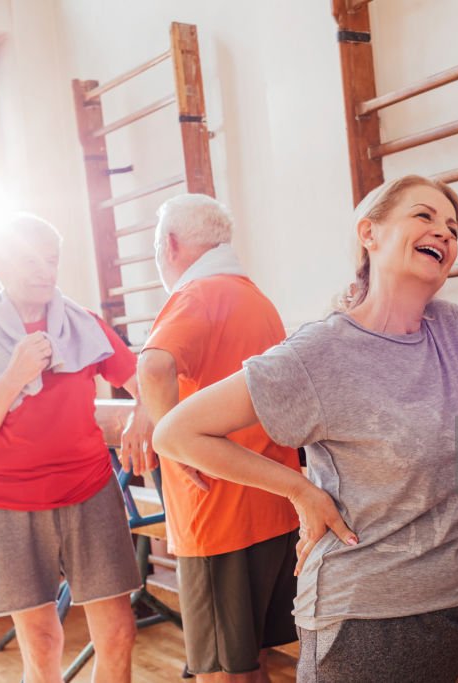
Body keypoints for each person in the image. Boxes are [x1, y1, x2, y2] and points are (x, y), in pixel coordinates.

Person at [150, 175, 458, 682]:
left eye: (454, 227)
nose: (445, 233)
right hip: (371, 622)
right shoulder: (321, 353)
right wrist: (299, 491)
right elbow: (176, 432)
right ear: (370, 233)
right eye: (425, 216)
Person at [0, 214, 153, 683]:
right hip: (8, 504)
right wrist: (15, 374)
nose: (45, 270)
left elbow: (143, 379)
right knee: (41, 644)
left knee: (119, 633)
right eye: (30, 261)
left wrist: (145, 408)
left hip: (90, 493)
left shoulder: (85, 325)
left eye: (52, 260)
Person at [134, 194, 300, 683]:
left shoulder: (195, 296)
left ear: (170, 244)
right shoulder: (255, 299)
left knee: (222, 674)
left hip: (216, 515)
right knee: (254, 660)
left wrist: (170, 443)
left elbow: (153, 363)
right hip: (269, 506)